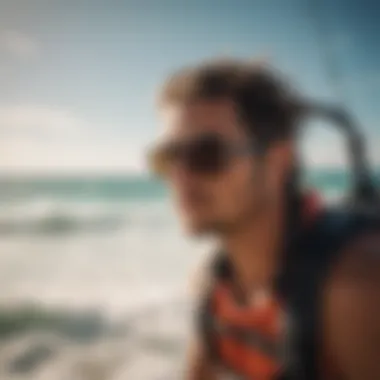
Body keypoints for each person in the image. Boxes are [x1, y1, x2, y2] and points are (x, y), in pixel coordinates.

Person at [148, 58, 380, 380]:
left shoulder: (357, 288)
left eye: (207, 154)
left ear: (278, 162)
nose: (181, 178)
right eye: (170, 157)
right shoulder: (214, 286)